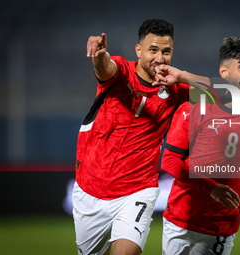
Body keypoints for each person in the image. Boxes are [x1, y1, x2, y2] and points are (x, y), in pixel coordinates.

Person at [72, 18, 190, 255]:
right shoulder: (122, 72)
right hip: (90, 188)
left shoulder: (176, 89)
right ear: (139, 50)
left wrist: (183, 76)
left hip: (138, 189)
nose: (159, 58)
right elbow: (104, 67)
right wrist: (98, 54)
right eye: (153, 50)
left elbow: (225, 95)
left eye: (166, 52)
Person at [156, 37, 240, 255]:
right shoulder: (194, 109)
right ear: (224, 73)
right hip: (181, 218)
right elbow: (169, 161)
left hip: (221, 223)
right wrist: (211, 188)